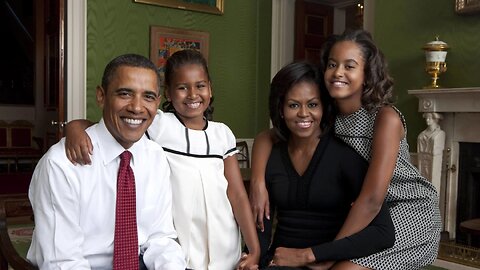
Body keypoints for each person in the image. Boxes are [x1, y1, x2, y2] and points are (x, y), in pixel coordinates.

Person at [250, 29, 442, 270]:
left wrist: (323, 255)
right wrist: (258, 180)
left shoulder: (385, 118)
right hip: (367, 210)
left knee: (342, 267)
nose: (338, 72)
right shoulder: (329, 113)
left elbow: (372, 199)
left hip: (407, 210)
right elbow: (268, 136)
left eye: (349, 66)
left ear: (367, 73)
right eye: (332, 64)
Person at [63, 49, 260, 270]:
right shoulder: (159, 124)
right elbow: (109, 126)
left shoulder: (222, 134)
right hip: (180, 244)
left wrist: (254, 249)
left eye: (200, 86)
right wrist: (73, 127)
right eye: (182, 87)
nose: (193, 94)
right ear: (167, 93)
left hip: (224, 240)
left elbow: (237, 194)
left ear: (210, 89)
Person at [27, 54, 186, 269]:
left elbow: (161, 239)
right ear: (101, 96)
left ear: (157, 102)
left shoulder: (155, 156)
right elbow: (62, 262)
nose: (137, 108)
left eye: (148, 97)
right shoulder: (61, 164)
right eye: (125, 93)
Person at [256, 61, 395, 270]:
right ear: (281, 109)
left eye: (312, 104)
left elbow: (383, 233)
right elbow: (262, 224)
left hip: (327, 262)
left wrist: (316, 255)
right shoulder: (272, 154)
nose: (304, 113)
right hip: (280, 262)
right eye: (293, 105)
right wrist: (256, 259)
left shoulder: (345, 155)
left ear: (323, 107)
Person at [417, 112, 445, 189]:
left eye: (429, 118)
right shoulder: (422, 135)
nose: (427, 120)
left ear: (435, 119)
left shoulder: (440, 134)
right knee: (422, 182)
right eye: (426, 118)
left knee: (432, 181)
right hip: (423, 159)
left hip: (433, 160)